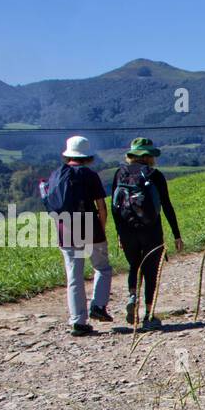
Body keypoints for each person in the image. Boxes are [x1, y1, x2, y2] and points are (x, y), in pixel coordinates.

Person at [111, 137, 184, 330]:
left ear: (131, 156)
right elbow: (167, 206)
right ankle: (149, 316)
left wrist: (119, 233)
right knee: (151, 271)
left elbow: (115, 207)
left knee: (134, 265)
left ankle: (133, 297)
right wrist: (176, 234)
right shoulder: (155, 175)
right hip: (151, 230)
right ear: (150, 156)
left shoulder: (120, 173)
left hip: (127, 229)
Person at [47, 135, 111, 336]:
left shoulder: (56, 175)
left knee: (74, 277)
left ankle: (78, 321)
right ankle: (98, 306)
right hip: (90, 227)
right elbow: (101, 207)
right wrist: (101, 228)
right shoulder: (90, 176)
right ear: (87, 156)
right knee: (102, 268)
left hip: (65, 231)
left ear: (68, 155)